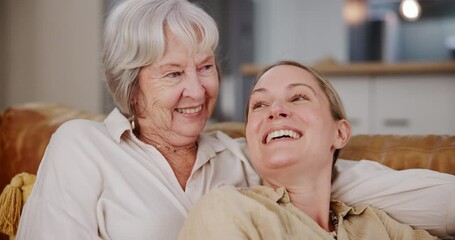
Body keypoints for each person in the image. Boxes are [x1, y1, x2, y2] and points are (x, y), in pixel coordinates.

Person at [16, 0, 454, 239]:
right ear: (132, 88)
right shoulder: (83, 146)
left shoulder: (248, 158)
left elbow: (412, 196)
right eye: (173, 73)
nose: (198, 88)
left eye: (205, 67)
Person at [178, 61, 450, 239]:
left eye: (298, 97)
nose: (276, 110)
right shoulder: (228, 209)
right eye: (259, 104)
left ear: (340, 132)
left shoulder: (375, 225)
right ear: (250, 138)